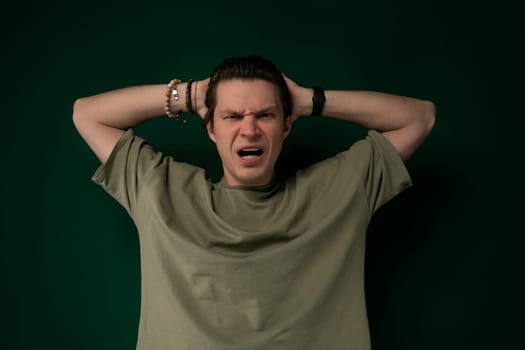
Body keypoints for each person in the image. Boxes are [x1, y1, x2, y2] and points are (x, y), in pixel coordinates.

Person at [73, 55, 435, 349]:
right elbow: (87, 114)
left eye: (265, 115)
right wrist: (193, 95)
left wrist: (308, 100)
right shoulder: (162, 191)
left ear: (286, 125)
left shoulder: (338, 191)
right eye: (232, 116)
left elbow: (420, 117)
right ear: (211, 129)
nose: (249, 129)